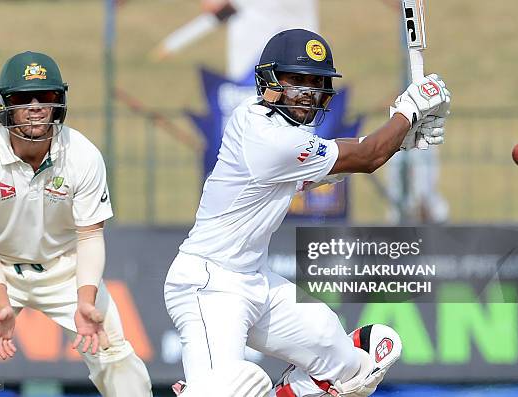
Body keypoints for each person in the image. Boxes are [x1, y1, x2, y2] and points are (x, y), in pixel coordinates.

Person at [164, 29, 449, 397]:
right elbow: (366, 157)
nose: (308, 92)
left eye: (316, 82)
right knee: (225, 390)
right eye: (296, 80)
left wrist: (399, 138)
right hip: (208, 285)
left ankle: (290, 392)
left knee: (349, 366)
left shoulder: (282, 133)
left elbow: (343, 159)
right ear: (269, 80)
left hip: (255, 282)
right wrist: (408, 113)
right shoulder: (267, 137)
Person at [0, 51, 152, 397]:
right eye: (23, 98)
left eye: (47, 97)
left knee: (115, 356)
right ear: (5, 104)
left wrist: (85, 298)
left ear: (59, 103)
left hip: (65, 267)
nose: (36, 107)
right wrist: (1, 302)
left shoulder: (82, 154)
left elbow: (90, 235)